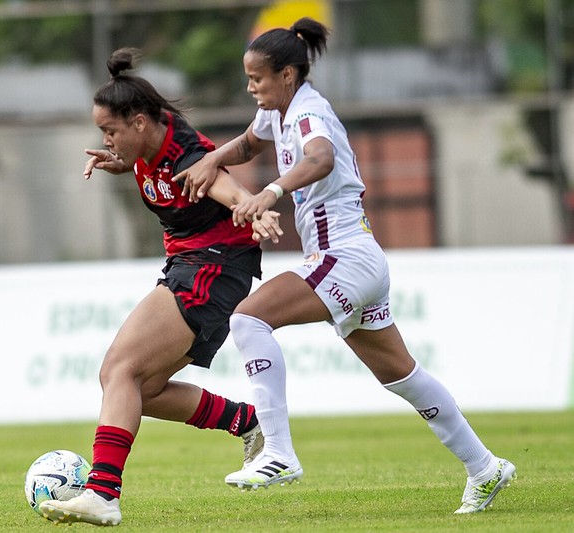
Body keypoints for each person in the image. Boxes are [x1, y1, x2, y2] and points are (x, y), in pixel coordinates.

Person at [172, 17, 516, 515]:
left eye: (258, 79)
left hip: (344, 258)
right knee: (401, 374)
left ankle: (278, 452)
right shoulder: (279, 110)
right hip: (357, 259)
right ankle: (485, 467)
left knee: (248, 318)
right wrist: (211, 159)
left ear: (288, 75)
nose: (250, 88)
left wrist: (271, 190)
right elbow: (249, 143)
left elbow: (322, 160)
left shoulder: (310, 113)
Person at [39, 48, 283, 526]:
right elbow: (155, 173)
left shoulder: (185, 153)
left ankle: (102, 493)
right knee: (139, 388)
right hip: (189, 263)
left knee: (120, 370)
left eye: (110, 131)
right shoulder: (145, 149)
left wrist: (256, 205)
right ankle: (247, 421)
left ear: (140, 122)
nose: (106, 140)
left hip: (215, 264)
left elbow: (224, 188)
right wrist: (122, 163)